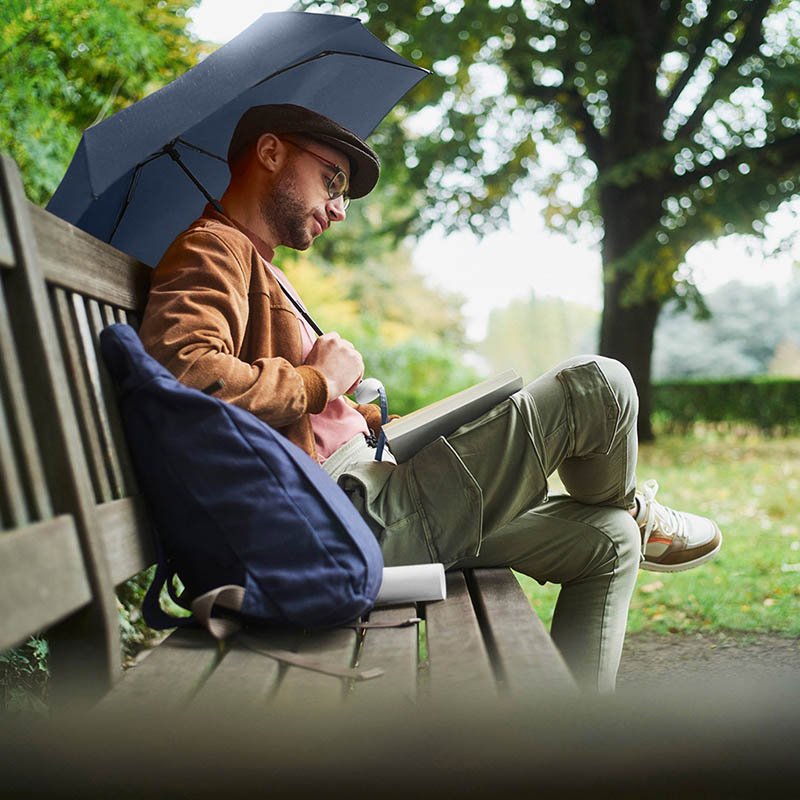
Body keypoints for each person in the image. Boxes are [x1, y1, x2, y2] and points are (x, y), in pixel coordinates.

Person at [139, 104, 722, 692]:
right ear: (270, 154)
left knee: (605, 542)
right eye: (332, 181)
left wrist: (357, 411)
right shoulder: (213, 249)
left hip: (369, 492)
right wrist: (320, 381)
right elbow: (184, 376)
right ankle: (637, 510)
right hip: (345, 518)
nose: (339, 209)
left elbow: (289, 409)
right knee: (596, 386)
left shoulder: (259, 265)